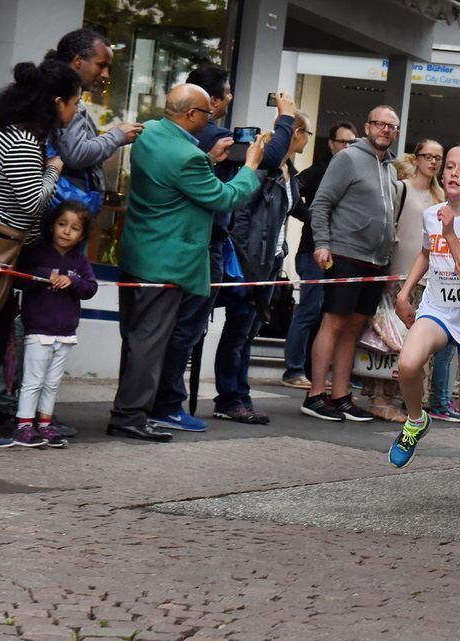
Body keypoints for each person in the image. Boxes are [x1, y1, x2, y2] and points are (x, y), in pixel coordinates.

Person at [107, 83, 264, 442]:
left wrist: (210, 159)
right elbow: (226, 197)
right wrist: (250, 166)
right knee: (149, 342)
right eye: (208, 112)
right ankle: (130, 415)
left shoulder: (150, 134)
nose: (211, 118)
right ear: (192, 115)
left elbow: (172, 178)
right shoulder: (187, 157)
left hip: (138, 252)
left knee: (135, 340)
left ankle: (128, 409)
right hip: (168, 262)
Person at [149, 66, 296, 429]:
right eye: (227, 95)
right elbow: (265, 161)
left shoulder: (163, 137)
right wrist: (286, 118)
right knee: (185, 329)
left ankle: (160, 402)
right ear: (207, 103)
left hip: (202, 244)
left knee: (182, 328)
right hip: (201, 245)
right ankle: (165, 404)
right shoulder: (204, 139)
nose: (229, 100)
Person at [388, 142, 460, 507]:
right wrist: (406, 292)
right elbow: (426, 251)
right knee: (407, 364)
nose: (452, 172)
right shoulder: (432, 213)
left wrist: (451, 235)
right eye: (449, 166)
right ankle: (417, 421)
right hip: (437, 307)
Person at [302, 105, 400, 422]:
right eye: (379, 124)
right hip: (345, 253)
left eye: (391, 126)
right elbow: (321, 203)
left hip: (376, 260)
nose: (385, 130)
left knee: (354, 327)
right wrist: (322, 244)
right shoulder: (347, 159)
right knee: (334, 322)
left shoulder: (391, 169)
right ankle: (316, 394)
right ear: (367, 126)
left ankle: (341, 395)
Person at [215, 113, 313, 424]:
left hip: (272, 261)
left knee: (249, 332)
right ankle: (230, 397)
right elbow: (241, 215)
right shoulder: (262, 170)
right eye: (307, 132)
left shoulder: (289, 173)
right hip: (250, 262)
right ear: (296, 133)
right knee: (238, 330)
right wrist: (246, 259)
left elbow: (289, 214)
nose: (308, 138)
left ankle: (240, 396)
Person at [0, 60, 80, 420]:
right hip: (2, 245)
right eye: (75, 103)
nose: (76, 111)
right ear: (57, 101)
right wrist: (54, 170)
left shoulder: (13, 132)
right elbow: (32, 203)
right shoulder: (22, 139)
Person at [364, 139, 444, 422]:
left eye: (438, 157)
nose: (433, 162)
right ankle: (379, 396)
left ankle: (404, 398)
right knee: (390, 338)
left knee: (416, 342)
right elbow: (389, 229)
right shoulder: (402, 189)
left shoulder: (440, 196)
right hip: (398, 274)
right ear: (417, 158)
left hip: (428, 280)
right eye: (428, 156)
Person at [13, 201, 96, 448]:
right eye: (62, 225)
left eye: (74, 228)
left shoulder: (80, 262)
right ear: (51, 226)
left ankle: (45, 425)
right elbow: (21, 279)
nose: (67, 232)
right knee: (32, 380)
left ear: (82, 234)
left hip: (66, 333)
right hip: (38, 330)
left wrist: (72, 281)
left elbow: (90, 288)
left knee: (51, 383)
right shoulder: (37, 253)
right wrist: (45, 275)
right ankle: (24, 425)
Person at [282, 121, 357, 389]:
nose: (347, 147)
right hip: (311, 252)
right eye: (342, 142)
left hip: (339, 255)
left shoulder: (351, 170)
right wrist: (311, 217)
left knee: (328, 313)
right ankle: (293, 369)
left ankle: (316, 371)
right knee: (309, 309)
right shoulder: (318, 171)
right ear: (331, 143)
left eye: (352, 143)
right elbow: (290, 197)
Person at [47, 28, 142, 204]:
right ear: (78, 61)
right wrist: (116, 136)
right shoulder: (64, 97)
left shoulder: (67, 93)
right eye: (101, 65)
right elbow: (76, 154)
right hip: (59, 211)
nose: (105, 74)